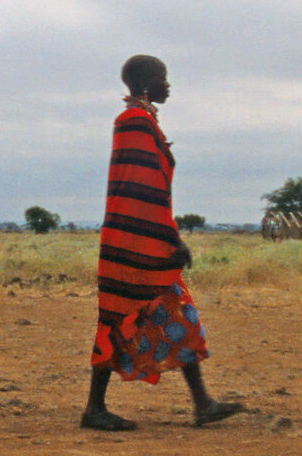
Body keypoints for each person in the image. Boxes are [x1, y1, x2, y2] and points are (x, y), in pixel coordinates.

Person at [80, 55, 244, 431]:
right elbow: (144, 190)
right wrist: (173, 238)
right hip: (136, 243)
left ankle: (202, 403)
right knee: (119, 318)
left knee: (175, 315)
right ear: (144, 83)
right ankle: (94, 409)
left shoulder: (141, 121)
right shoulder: (135, 122)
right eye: (162, 78)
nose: (168, 85)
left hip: (140, 239)